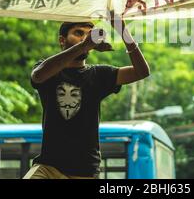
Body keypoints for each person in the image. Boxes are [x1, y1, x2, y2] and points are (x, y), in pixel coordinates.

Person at [23, 12, 150, 179]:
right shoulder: (48, 69)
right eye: (78, 33)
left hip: (84, 172)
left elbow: (141, 72)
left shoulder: (99, 74)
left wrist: (123, 30)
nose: (84, 37)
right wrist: (84, 45)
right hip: (48, 167)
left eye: (88, 34)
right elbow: (38, 76)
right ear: (62, 40)